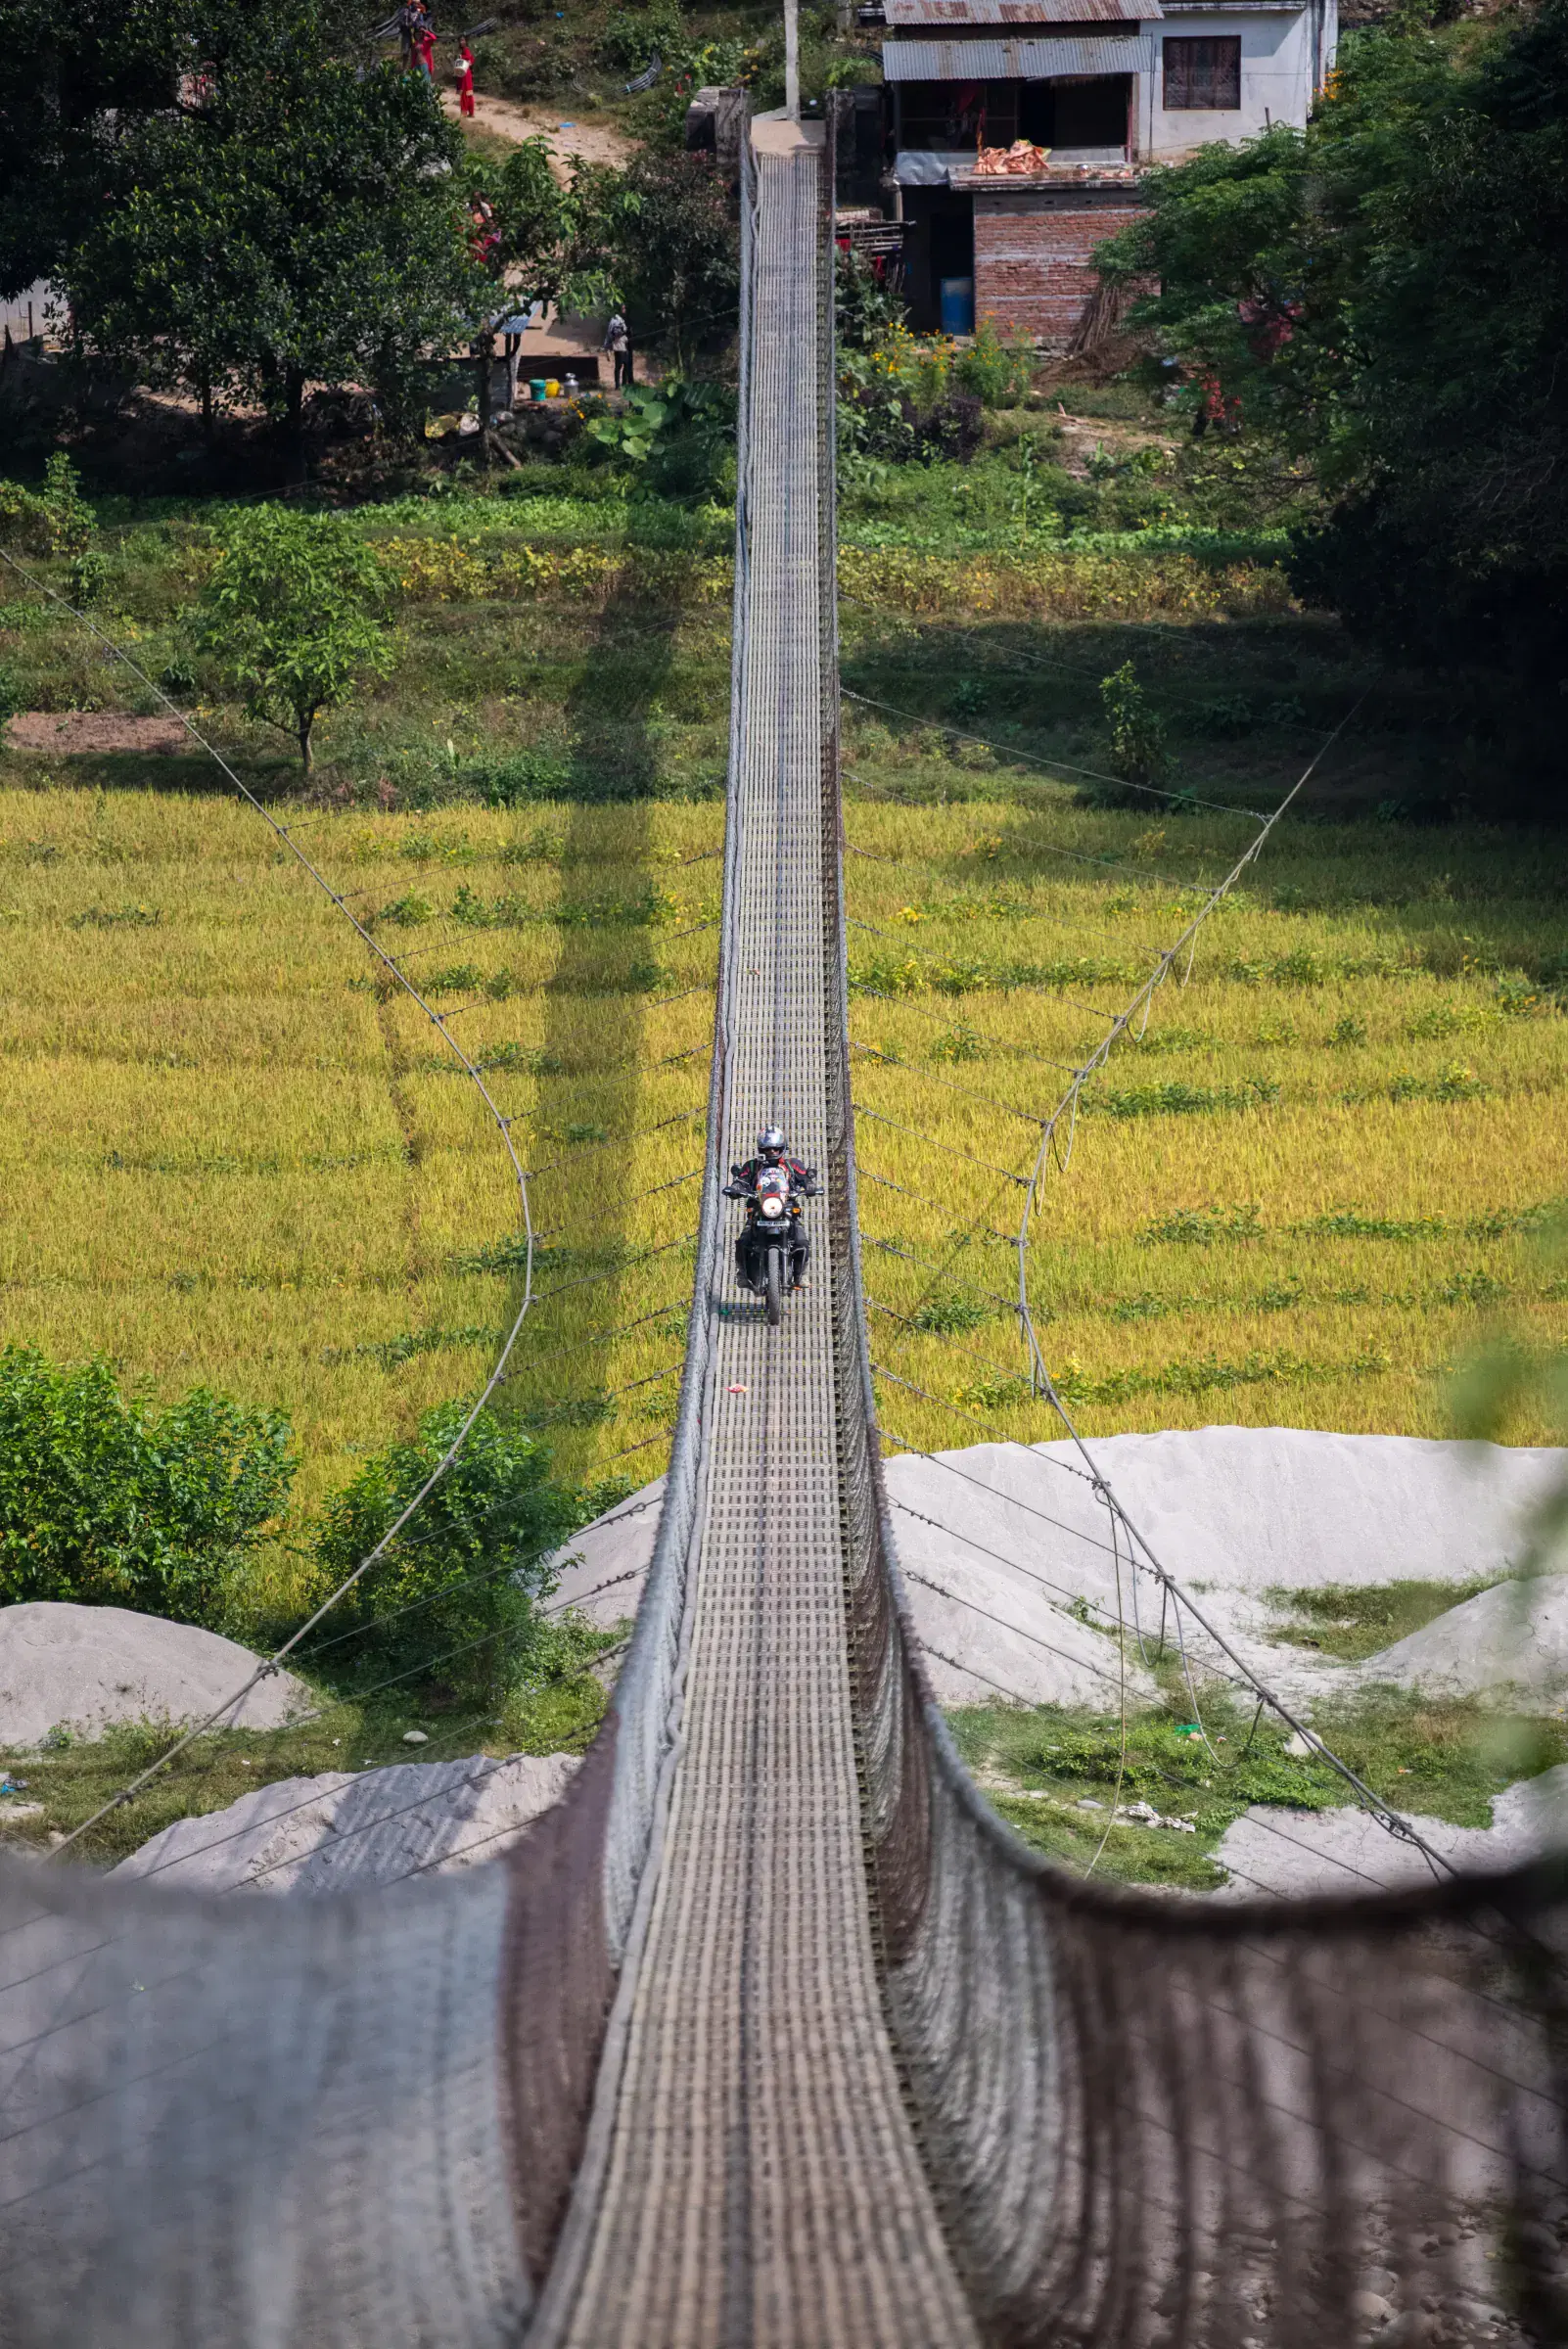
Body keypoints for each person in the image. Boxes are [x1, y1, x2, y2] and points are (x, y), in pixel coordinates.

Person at [725, 1127, 819, 1290]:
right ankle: (742, 1274)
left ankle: (801, 1275)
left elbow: (804, 1177)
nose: (772, 1152)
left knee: (801, 1240)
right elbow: (741, 1180)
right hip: (759, 1208)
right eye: (768, 1149)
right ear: (760, 1149)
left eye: (776, 1148)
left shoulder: (792, 1165)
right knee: (743, 1241)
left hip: (786, 1208)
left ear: (783, 1147)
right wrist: (736, 1188)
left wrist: (810, 1185)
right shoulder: (752, 1166)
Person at [603, 309, 632, 392]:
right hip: (619, 346)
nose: (624, 309)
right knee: (619, 367)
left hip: (625, 345)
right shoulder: (615, 320)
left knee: (625, 366)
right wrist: (607, 348)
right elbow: (609, 334)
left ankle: (623, 384)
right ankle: (618, 385)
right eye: (623, 308)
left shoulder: (624, 319)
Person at [456, 39, 475, 115]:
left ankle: (464, 111)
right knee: (468, 92)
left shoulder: (466, 50)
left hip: (465, 73)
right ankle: (471, 112)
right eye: (460, 41)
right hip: (466, 73)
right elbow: (471, 58)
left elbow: (469, 57)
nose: (461, 42)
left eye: (463, 40)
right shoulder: (464, 50)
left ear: (466, 41)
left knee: (464, 92)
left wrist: (461, 57)